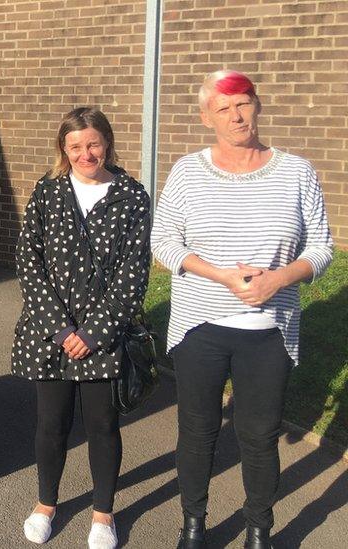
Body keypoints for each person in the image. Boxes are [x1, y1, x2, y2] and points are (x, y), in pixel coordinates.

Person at [152, 70, 334, 549]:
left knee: (259, 437)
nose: (236, 116)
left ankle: (259, 528)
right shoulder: (188, 171)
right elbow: (164, 242)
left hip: (269, 330)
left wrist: (277, 278)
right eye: (223, 108)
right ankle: (193, 524)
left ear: (257, 105)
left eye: (243, 104)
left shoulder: (297, 171)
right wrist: (222, 275)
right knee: (197, 432)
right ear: (206, 116)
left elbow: (321, 247)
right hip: (200, 326)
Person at [11, 107, 151, 549]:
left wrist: (92, 332)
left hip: (102, 338)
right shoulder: (48, 192)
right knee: (51, 424)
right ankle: (46, 503)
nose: (84, 153)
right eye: (75, 146)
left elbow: (135, 270)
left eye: (92, 144)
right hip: (50, 334)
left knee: (102, 426)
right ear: (63, 150)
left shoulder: (132, 196)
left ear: (106, 142)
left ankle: (103, 512)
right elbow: (28, 261)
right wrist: (59, 328)